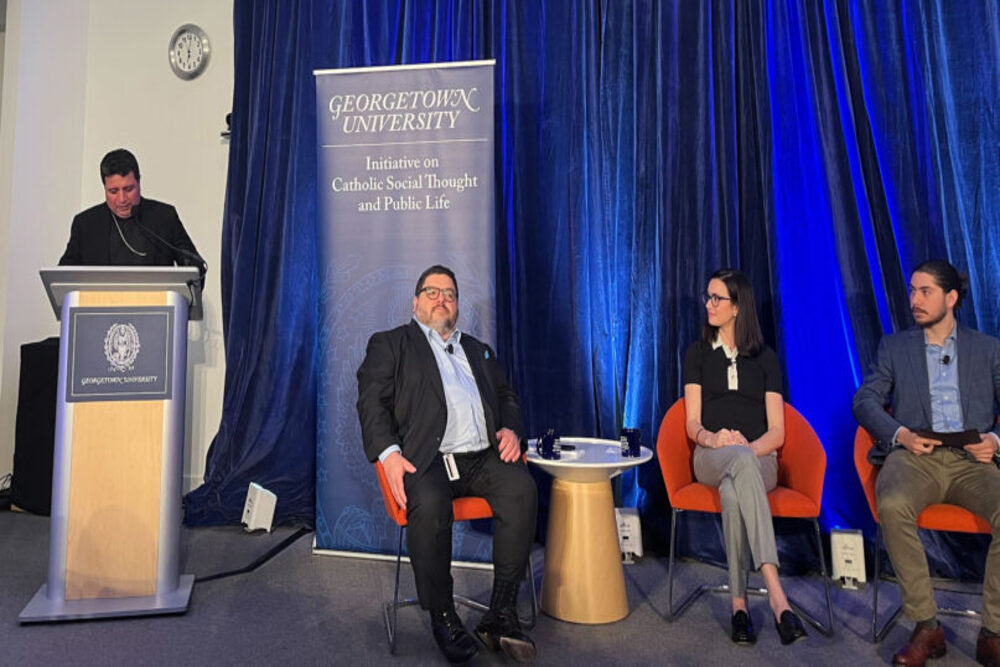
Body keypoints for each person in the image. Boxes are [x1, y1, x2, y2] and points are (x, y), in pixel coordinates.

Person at [356, 265, 537, 664]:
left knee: (522, 490)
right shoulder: (391, 344)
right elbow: (372, 403)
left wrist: (510, 429)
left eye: (450, 294)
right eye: (433, 292)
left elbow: (507, 395)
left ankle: (500, 614)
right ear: (416, 302)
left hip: (481, 457)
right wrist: (388, 454)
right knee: (432, 505)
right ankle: (443, 615)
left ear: (457, 306)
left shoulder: (477, 349)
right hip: (427, 459)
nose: (442, 300)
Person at [853, 259, 1000, 667]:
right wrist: (901, 435)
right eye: (912, 291)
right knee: (893, 504)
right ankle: (926, 626)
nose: (914, 300)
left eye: (925, 292)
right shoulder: (895, 346)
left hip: (974, 459)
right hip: (916, 456)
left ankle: (993, 630)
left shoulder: (988, 349)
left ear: (951, 298)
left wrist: (995, 439)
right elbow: (864, 401)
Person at [682, 268, 808, 646]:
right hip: (710, 456)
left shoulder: (765, 359)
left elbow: (778, 432)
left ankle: (739, 606)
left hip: (759, 458)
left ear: (737, 307)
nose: (709, 305)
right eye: (707, 297)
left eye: (717, 298)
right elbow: (690, 423)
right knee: (735, 465)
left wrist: (747, 450)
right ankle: (777, 596)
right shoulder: (697, 353)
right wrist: (713, 438)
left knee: (735, 491)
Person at [59, 148, 204, 272]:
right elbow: (64, 277)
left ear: (139, 182)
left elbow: (194, 267)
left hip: (154, 304)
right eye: (113, 191)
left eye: (128, 189)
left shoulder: (164, 217)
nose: (122, 199)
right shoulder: (86, 224)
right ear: (104, 188)